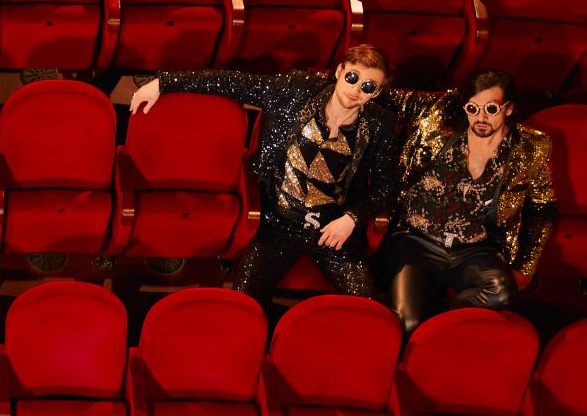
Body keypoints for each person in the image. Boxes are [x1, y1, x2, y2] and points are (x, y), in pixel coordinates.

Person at [129, 46, 398, 304]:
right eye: (352, 77)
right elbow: (231, 83)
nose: (355, 89)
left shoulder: (379, 123)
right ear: (340, 71)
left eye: (367, 86)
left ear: (376, 92)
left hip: (332, 228)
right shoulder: (295, 91)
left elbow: (387, 186)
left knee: (367, 307)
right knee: (242, 303)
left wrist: (352, 218)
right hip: (278, 222)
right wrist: (164, 82)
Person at [380, 69, 556, 335]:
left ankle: (445, 325)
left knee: (501, 294)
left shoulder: (531, 147)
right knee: (407, 324)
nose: (481, 117)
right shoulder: (438, 116)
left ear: (508, 108)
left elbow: (542, 208)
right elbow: (382, 95)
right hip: (417, 239)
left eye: (491, 108)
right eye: (473, 108)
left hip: (474, 247)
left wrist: (525, 265)